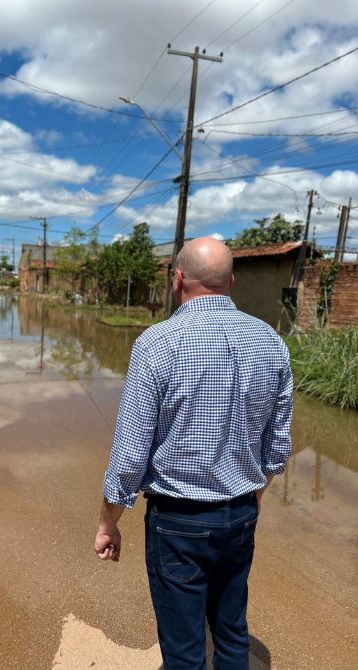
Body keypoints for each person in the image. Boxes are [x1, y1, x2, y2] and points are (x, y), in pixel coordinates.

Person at [93, 236, 293, 669]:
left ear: (177, 279)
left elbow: (130, 456)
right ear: (232, 281)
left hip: (178, 523)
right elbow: (277, 448)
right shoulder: (271, 342)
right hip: (242, 513)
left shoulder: (157, 343)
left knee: (184, 653)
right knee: (232, 632)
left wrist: (109, 523)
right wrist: (252, 500)